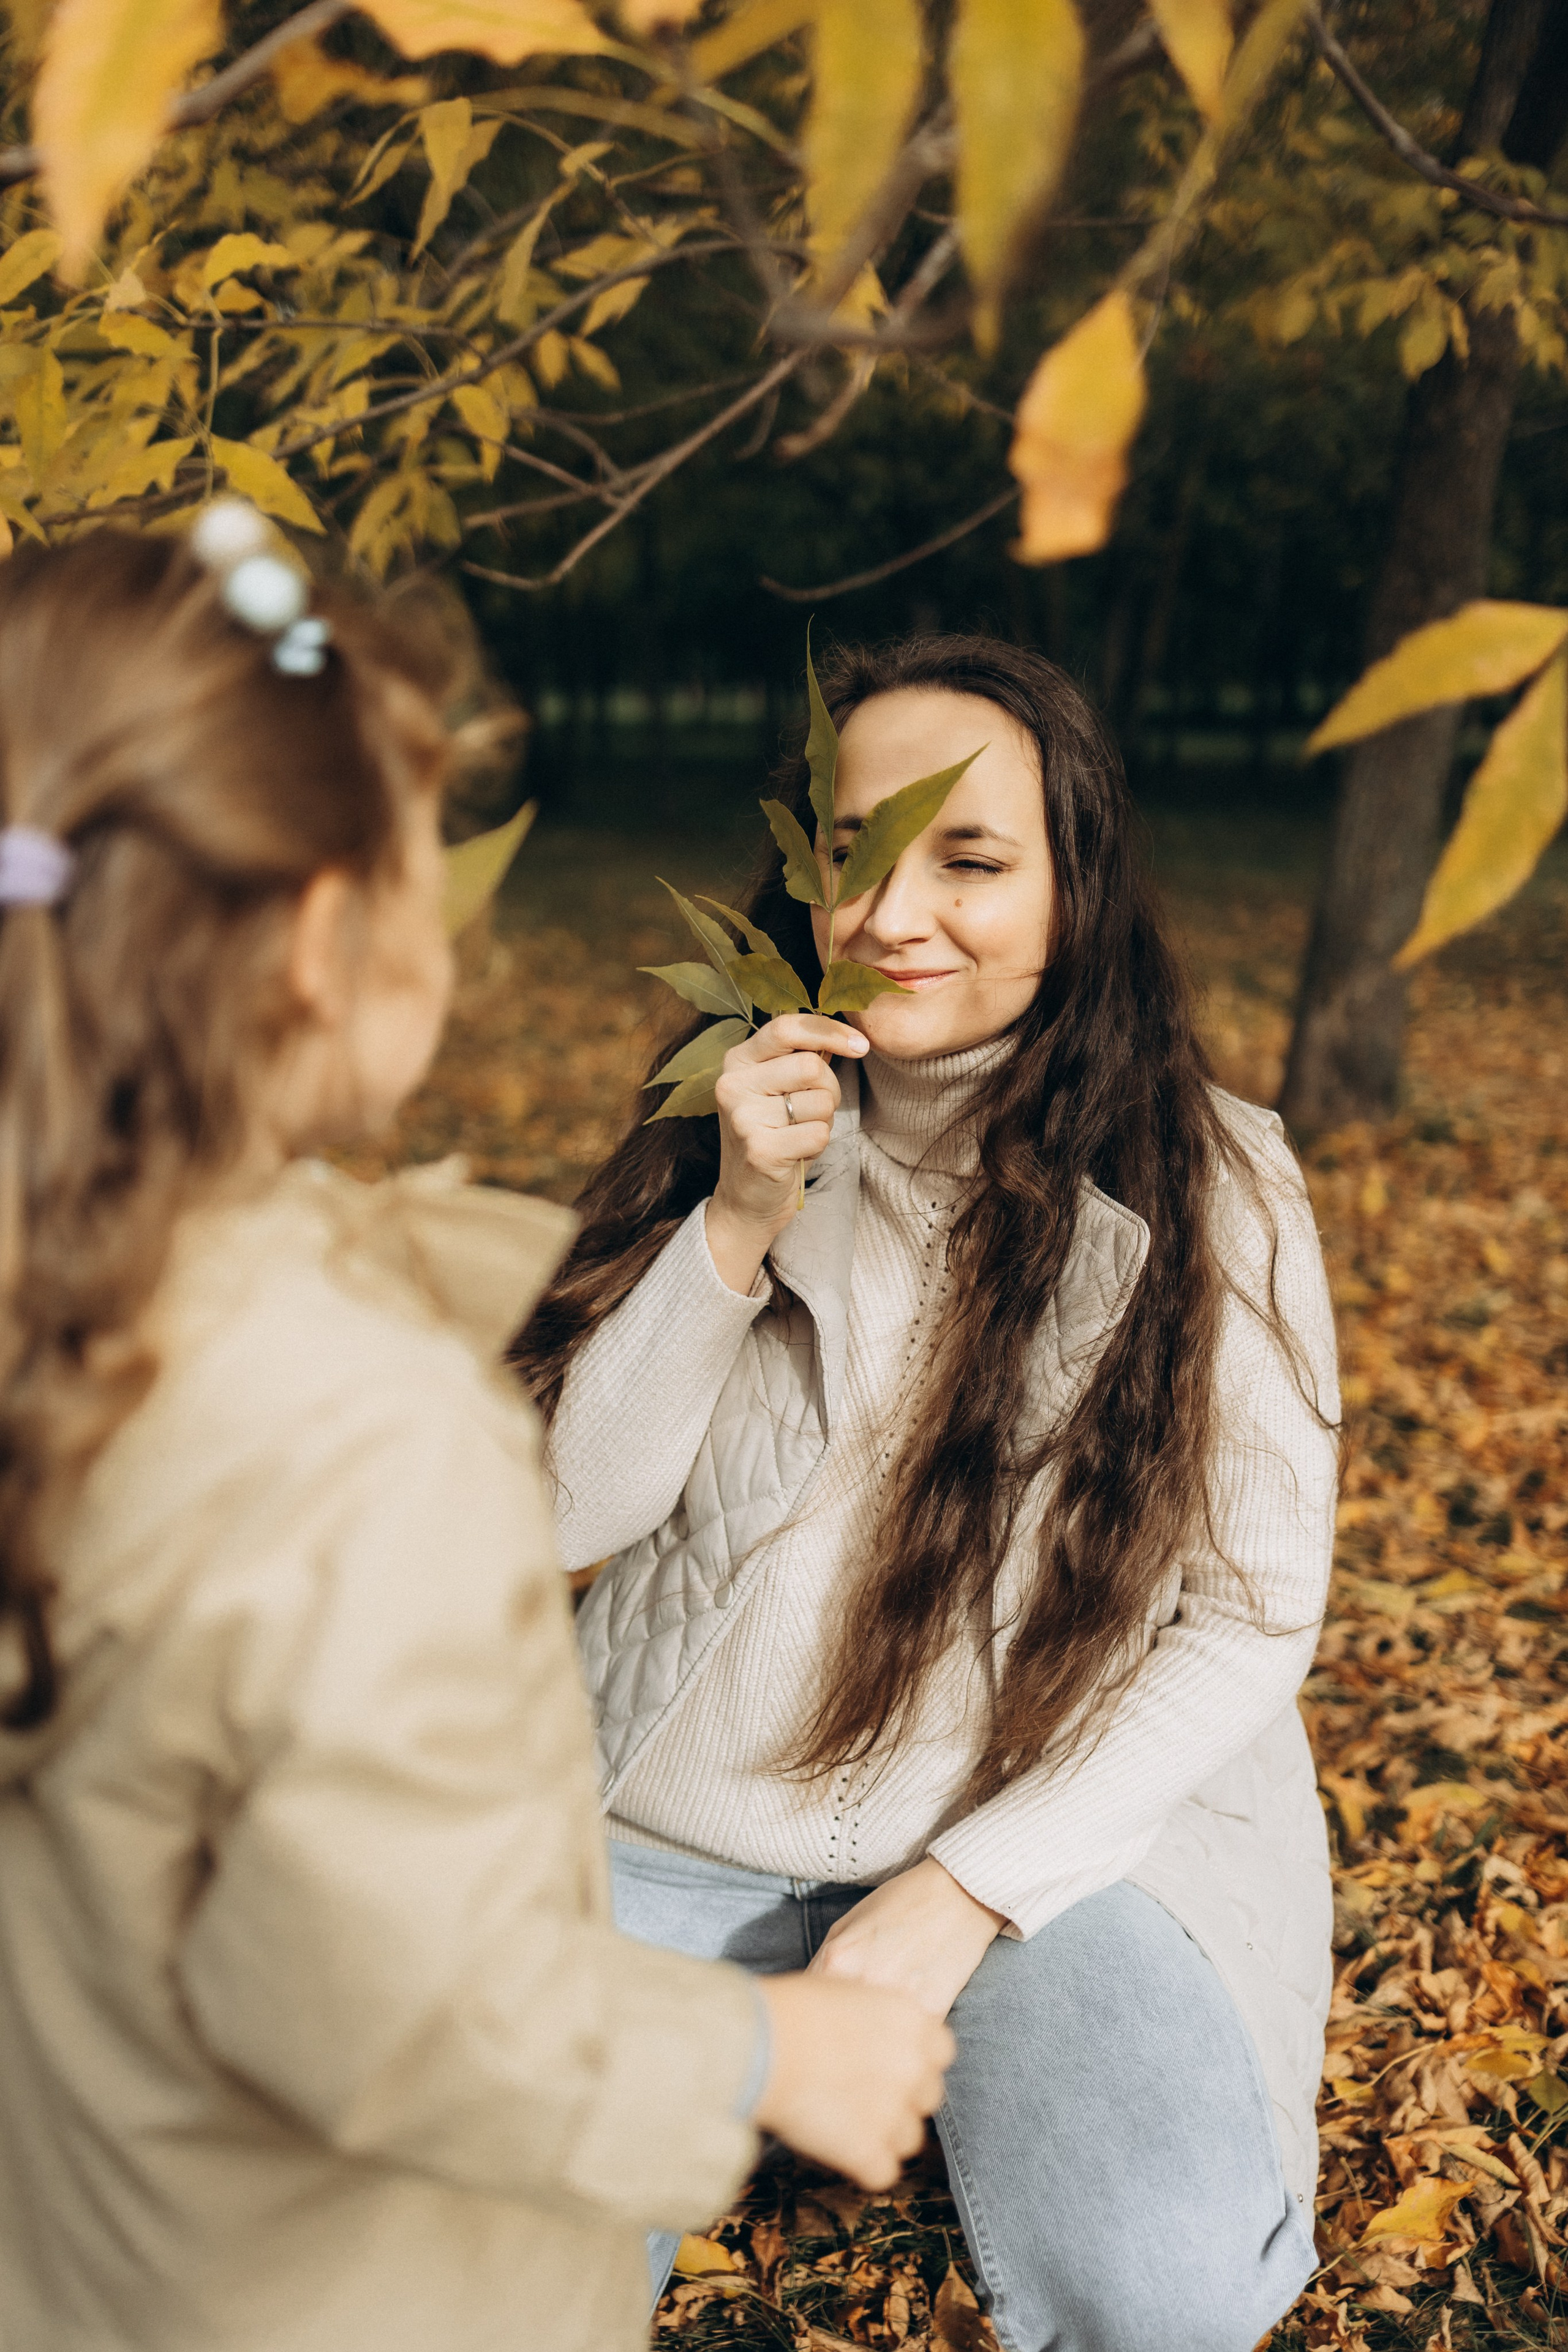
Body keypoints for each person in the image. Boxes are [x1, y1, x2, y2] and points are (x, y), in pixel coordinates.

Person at [0, 527, 952, 2352]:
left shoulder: (91, 1294)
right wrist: (771, 2047)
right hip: (329, 2290)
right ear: (316, 941)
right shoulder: (360, 1439)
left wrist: (726, 1224)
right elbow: (387, 1993)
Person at [519, 635, 1341, 2352]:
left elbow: (1254, 1608)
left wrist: (965, 1890)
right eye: (854, 855)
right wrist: (733, 1220)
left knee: (1166, 2293)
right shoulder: (738, 1120)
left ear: (1077, 888)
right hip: (683, 1811)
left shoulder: (1216, 1185)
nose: (897, 914)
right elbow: (567, 1519)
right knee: (466, 2264)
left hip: (1036, 1830)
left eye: (970, 860)